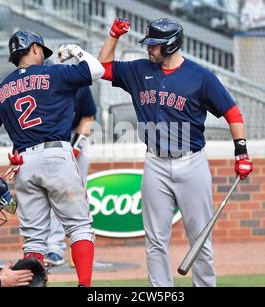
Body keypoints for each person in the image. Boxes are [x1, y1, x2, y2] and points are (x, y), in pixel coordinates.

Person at [96, 18, 254, 287]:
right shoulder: (139, 69)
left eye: (154, 45)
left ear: (170, 45)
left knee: (200, 238)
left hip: (191, 162)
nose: (149, 49)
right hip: (155, 162)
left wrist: (241, 152)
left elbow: (232, 112)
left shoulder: (200, 76)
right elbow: (102, 68)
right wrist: (113, 36)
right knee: (155, 239)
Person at [0, 30, 105, 287]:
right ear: (35, 49)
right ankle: (85, 286)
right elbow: (97, 69)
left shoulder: (1, 90)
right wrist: (75, 50)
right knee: (79, 227)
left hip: (24, 163)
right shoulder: (55, 73)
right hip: (56, 155)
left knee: (34, 240)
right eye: (41, 50)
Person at [45, 86, 97, 267]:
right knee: (53, 193)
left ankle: (82, 247)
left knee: (78, 196)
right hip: (49, 143)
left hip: (75, 141)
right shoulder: (42, 85)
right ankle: (53, 248)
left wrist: (77, 144)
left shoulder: (79, 85)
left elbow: (89, 118)